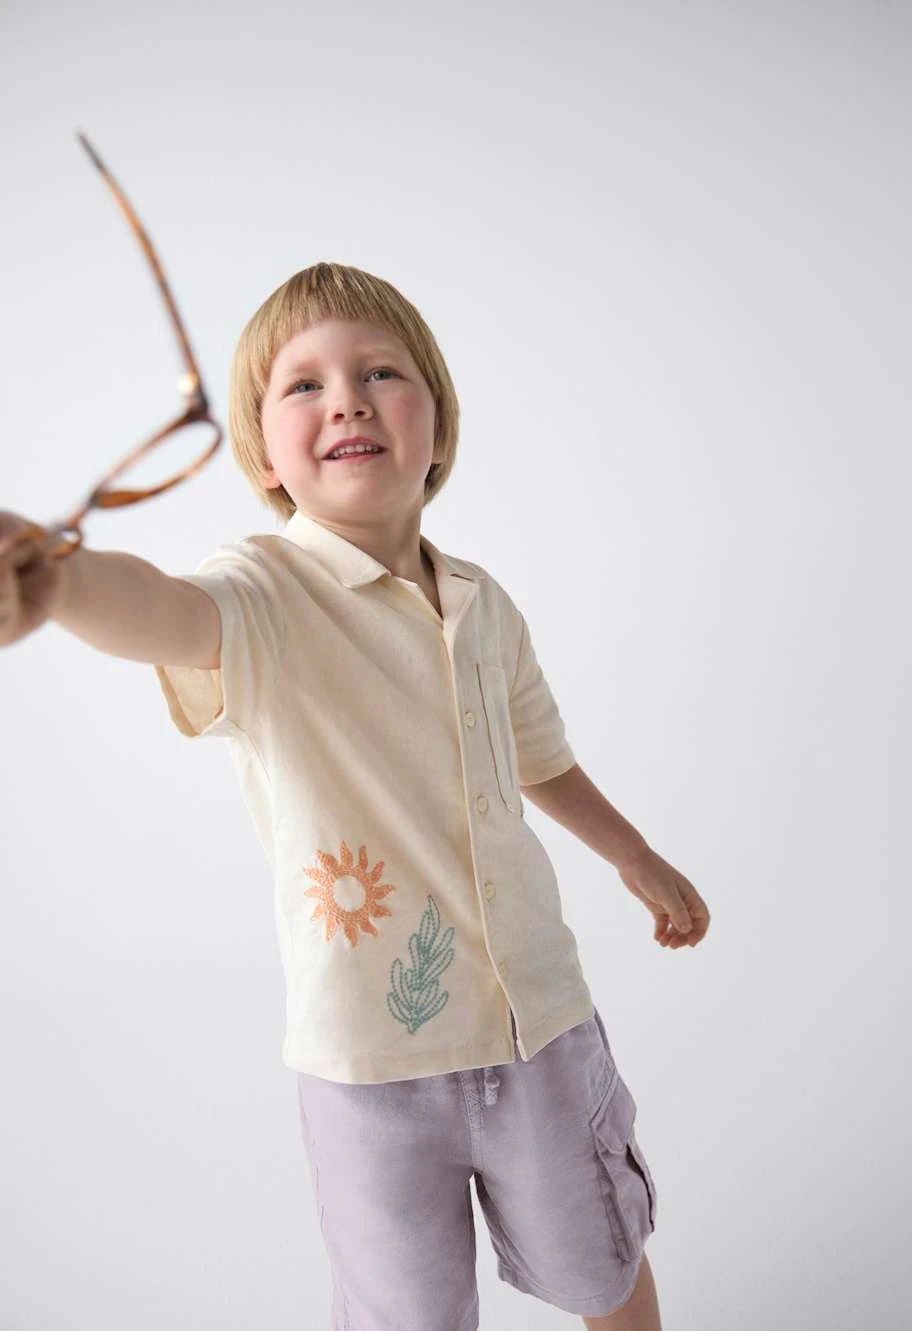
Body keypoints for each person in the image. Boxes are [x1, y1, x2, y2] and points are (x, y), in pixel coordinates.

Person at [0, 261, 710, 1331]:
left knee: (603, 1262)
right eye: (304, 384)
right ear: (263, 452)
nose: (347, 400)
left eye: (381, 371)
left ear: (439, 424)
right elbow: (162, 610)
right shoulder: (260, 594)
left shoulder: (483, 601)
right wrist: (58, 582)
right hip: (369, 1069)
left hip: (541, 1027)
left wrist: (633, 852)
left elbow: (537, 753)